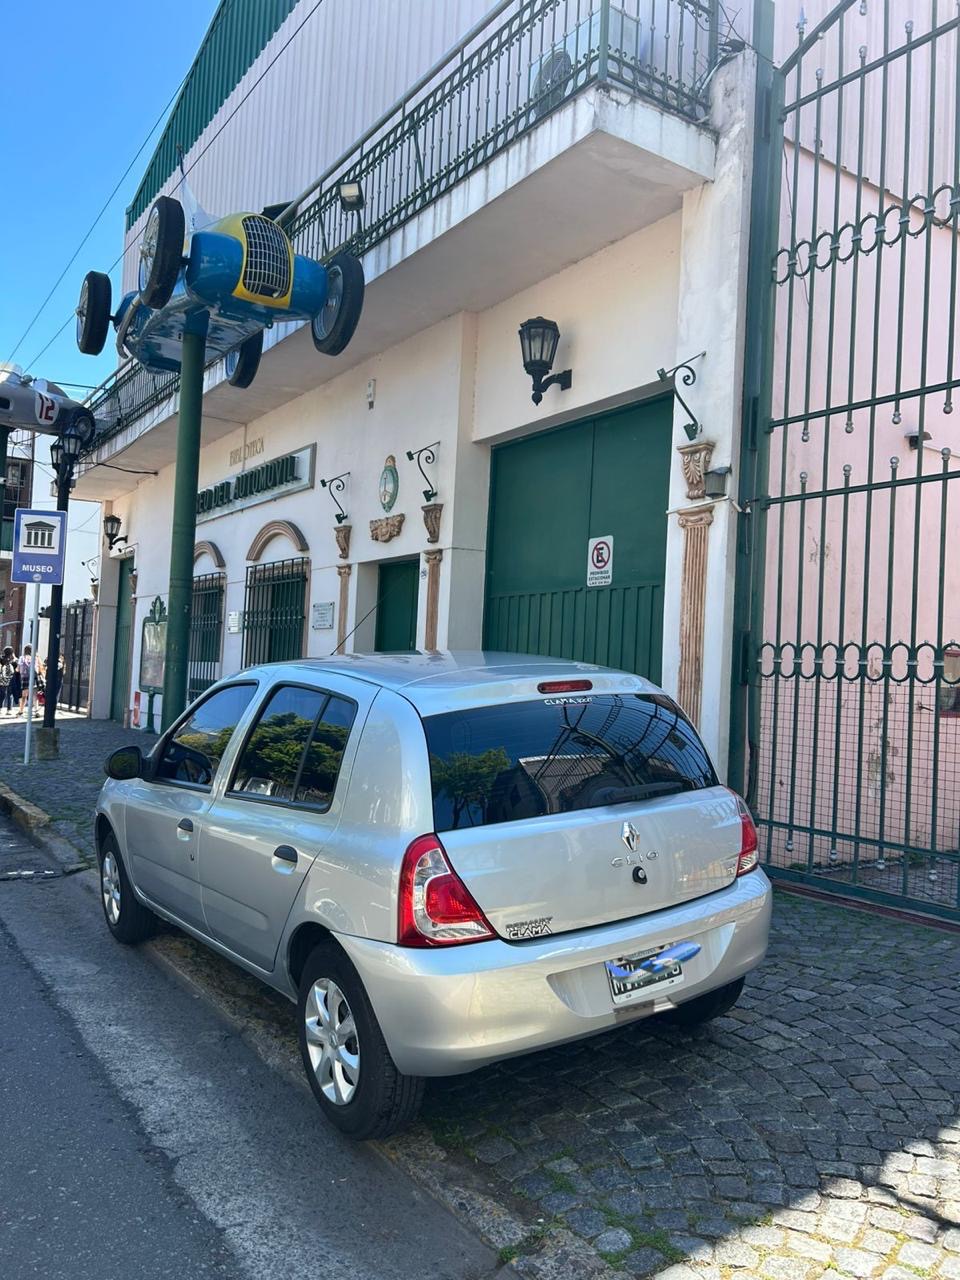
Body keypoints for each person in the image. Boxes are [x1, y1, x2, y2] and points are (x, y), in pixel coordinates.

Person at [18, 646, 35, 716]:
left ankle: (21, 710)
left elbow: (18, 668)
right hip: (32, 677)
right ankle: (33, 710)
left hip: (24, 677)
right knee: (33, 695)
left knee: (23, 695)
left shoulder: (22, 658)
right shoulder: (34, 658)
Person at [0, 646, 17, 715]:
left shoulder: (1, 659)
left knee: (2, 694)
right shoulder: (13, 660)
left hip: (2, 679)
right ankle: (9, 709)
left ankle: (0, 708)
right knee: (10, 694)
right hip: (11, 679)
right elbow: (16, 669)